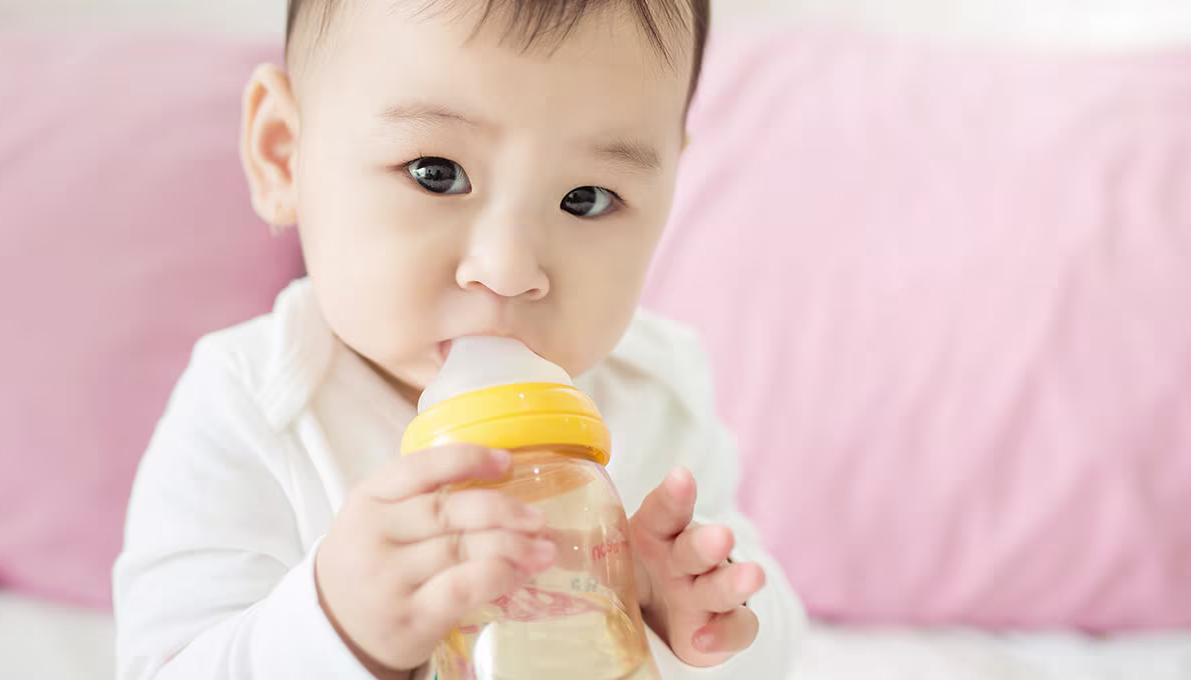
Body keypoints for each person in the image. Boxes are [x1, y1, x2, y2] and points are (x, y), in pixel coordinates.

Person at [113, 1, 806, 677]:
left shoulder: (655, 391)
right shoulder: (253, 407)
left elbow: (774, 628)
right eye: (436, 174)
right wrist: (333, 627)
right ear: (284, 153)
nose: (508, 271)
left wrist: (686, 616)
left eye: (587, 198)